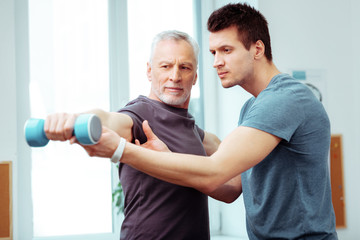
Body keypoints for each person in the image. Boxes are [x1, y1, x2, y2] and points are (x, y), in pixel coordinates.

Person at [83, 3, 338, 240]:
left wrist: (120, 150)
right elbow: (232, 187)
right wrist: (167, 156)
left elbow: (215, 173)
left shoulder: (285, 99)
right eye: (213, 52)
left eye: (226, 50)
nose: (216, 62)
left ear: (257, 49)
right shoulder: (253, 107)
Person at [44, 30, 221, 239]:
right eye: (165, 66)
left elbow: (232, 176)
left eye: (184, 67)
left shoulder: (195, 132)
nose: (175, 76)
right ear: (149, 71)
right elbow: (108, 120)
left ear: (195, 76)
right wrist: (74, 119)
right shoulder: (139, 114)